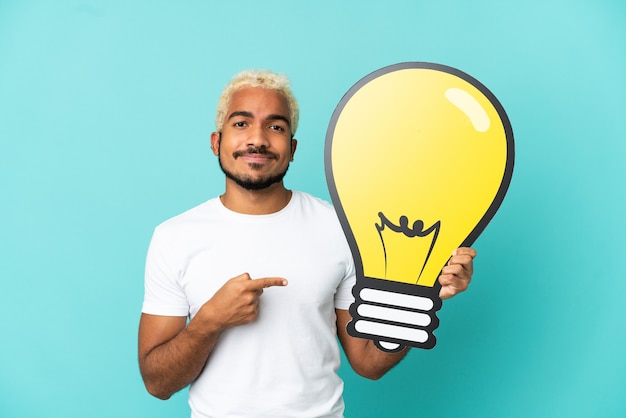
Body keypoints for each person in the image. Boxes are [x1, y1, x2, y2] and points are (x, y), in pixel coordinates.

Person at [138, 69, 476, 418]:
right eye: (241, 124)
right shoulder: (174, 237)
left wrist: (423, 293)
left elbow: (368, 363)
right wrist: (210, 320)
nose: (258, 139)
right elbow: (157, 383)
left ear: (293, 148)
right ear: (215, 142)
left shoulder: (343, 229)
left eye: (276, 127)